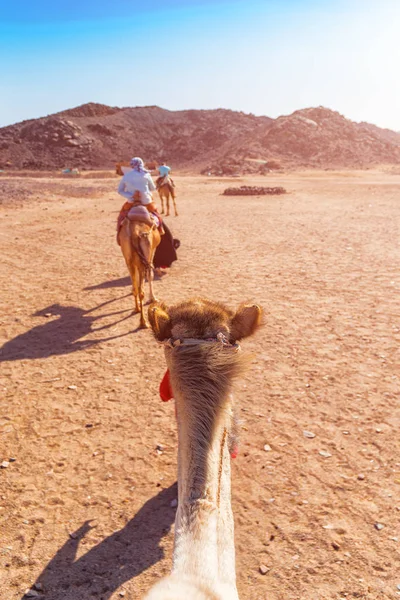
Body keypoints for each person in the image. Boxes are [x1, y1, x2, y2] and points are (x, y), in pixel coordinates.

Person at [116, 157, 163, 243]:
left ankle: (118, 233)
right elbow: (152, 188)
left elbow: (120, 190)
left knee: (121, 215)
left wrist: (131, 196)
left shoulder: (127, 175)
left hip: (131, 201)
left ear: (132, 165)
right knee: (157, 214)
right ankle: (160, 229)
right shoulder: (146, 174)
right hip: (146, 201)